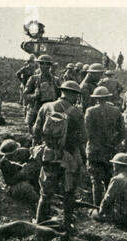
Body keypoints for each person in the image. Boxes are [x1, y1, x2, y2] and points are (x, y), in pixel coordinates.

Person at [32, 81, 86, 231]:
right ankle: (67, 225)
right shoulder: (76, 113)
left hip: (49, 155)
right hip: (69, 159)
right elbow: (83, 138)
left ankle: (39, 224)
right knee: (69, 193)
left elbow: (35, 132)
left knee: (45, 193)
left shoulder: (45, 107)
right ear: (74, 95)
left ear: (62, 91)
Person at [85, 86, 125, 206]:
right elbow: (123, 132)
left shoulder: (90, 111)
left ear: (96, 98)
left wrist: (94, 142)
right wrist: (114, 143)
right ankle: (108, 207)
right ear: (108, 97)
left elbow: (87, 132)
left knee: (95, 181)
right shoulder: (116, 111)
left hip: (94, 150)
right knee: (109, 179)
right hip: (110, 150)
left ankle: (96, 206)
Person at [23, 54, 59, 137]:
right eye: (42, 64)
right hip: (36, 109)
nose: (44, 66)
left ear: (50, 66)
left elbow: (59, 96)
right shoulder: (33, 79)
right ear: (39, 65)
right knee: (34, 135)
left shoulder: (55, 80)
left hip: (50, 111)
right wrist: (35, 95)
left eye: (47, 64)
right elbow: (25, 96)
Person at [0, 139, 40, 205]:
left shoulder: (24, 152)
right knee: (25, 187)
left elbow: (35, 160)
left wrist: (31, 165)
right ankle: (39, 202)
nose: (9, 157)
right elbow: (9, 181)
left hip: (29, 178)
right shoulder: (4, 163)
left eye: (12, 154)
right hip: (14, 185)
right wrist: (21, 174)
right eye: (7, 155)